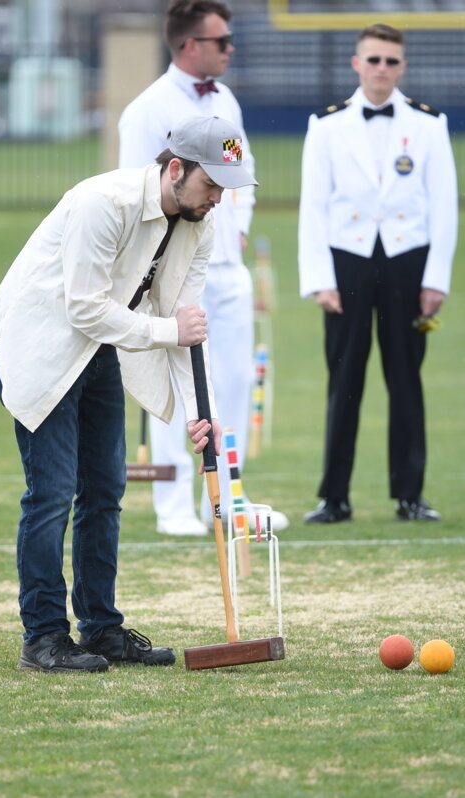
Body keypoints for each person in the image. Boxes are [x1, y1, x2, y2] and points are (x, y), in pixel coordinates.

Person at [0, 115, 256, 673]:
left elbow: (185, 325)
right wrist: (165, 331)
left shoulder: (201, 225)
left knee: (105, 492)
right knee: (52, 495)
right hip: (42, 353)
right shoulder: (102, 202)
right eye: (212, 184)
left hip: (102, 353)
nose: (219, 199)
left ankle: (102, 630)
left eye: (228, 187)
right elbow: (84, 308)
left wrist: (203, 416)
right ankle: (45, 638)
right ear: (175, 168)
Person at [118, 0, 285, 536]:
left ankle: (231, 498)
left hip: (227, 264)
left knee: (233, 379)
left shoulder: (226, 99)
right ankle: (173, 507)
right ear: (191, 45)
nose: (231, 49)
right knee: (178, 381)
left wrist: (235, 230)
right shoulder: (146, 109)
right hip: (174, 271)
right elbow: (135, 190)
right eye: (222, 42)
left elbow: (244, 170)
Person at [297, 23, 457, 524]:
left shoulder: (430, 124)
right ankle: (335, 496)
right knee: (344, 378)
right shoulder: (326, 125)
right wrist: (319, 278)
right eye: (373, 59)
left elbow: (445, 206)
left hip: (410, 258)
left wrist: (437, 279)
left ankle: (410, 495)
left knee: (406, 378)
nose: (382, 69)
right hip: (348, 258)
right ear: (356, 63)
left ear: (402, 67)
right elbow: (313, 207)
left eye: (391, 60)